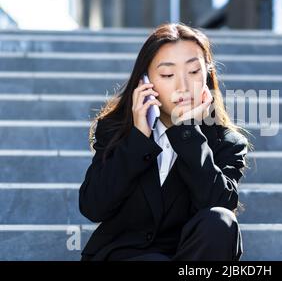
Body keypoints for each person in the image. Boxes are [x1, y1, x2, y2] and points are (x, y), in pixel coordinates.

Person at [79, 23, 251, 261]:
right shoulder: (117, 130)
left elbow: (219, 208)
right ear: (145, 81)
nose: (183, 86)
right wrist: (138, 138)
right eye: (168, 75)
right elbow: (93, 207)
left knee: (220, 220)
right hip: (121, 257)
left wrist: (187, 132)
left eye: (193, 72)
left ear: (207, 75)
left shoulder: (227, 143)